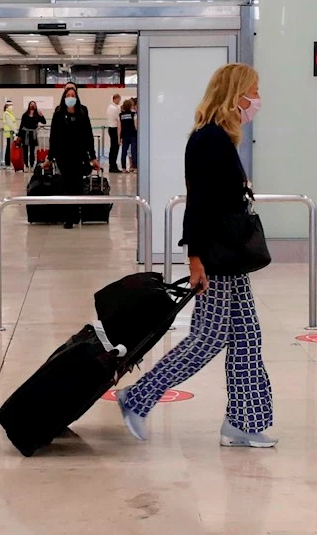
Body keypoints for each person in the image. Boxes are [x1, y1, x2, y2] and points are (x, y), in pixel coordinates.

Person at [116, 63, 275, 448]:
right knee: (207, 338)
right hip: (217, 255)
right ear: (235, 94)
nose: (257, 100)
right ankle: (137, 397)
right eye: (253, 91)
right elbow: (199, 204)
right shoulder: (208, 140)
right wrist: (195, 259)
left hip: (230, 255)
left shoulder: (221, 137)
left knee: (247, 337)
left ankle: (244, 421)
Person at [46, 83, 100, 229]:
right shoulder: (58, 115)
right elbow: (54, 137)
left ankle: (75, 214)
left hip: (79, 156)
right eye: (68, 96)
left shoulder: (82, 114)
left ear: (77, 97)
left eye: (73, 96)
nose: (70, 98)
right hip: (63, 156)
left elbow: (89, 137)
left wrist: (93, 157)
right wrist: (50, 158)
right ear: (64, 98)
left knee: (77, 185)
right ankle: (69, 218)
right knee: (67, 185)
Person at [19, 101, 46, 169]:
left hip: (33, 134)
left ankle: (31, 164)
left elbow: (44, 122)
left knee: (32, 150)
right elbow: (21, 125)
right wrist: (19, 135)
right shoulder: (25, 115)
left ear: (36, 106)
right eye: (31, 104)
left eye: (34, 105)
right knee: (25, 150)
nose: (32, 106)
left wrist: (41, 115)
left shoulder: (37, 115)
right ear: (29, 106)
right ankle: (26, 165)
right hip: (25, 134)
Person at [119, 98, 138, 173]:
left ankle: (123, 168)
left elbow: (120, 127)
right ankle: (135, 167)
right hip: (133, 135)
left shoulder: (121, 115)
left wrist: (119, 137)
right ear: (131, 106)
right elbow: (136, 126)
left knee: (124, 151)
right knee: (134, 151)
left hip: (124, 135)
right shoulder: (133, 114)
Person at [106, 93, 123, 173]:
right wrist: (119, 135)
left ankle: (112, 165)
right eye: (119, 99)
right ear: (116, 99)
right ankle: (113, 166)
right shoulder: (115, 109)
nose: (119, 101)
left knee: (113, 148)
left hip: (111, 128)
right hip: (114, 129)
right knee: (115, 149)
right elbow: (119, 120)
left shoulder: (110, 107)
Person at [2, 100, 18, 166]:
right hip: (9, 133)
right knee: (9, 148)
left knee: (10, 147)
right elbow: (10, 124)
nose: (11, 106)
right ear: (6, 106)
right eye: (10, 105)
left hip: (11, 133)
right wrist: (15, 131)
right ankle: (7, 163)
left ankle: (8, 162)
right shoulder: (6, 113)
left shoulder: (10, 113)